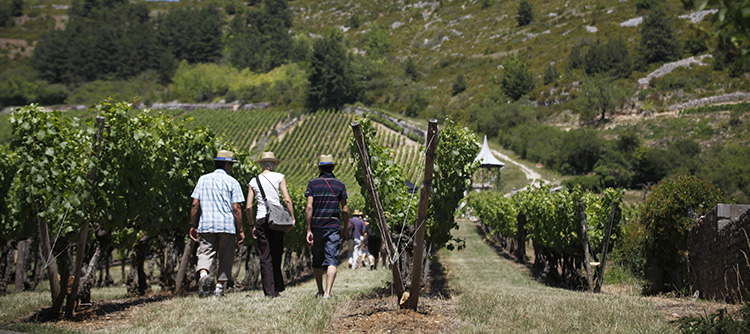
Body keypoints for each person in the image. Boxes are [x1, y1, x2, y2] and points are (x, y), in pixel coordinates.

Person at [190, 150, 245, 297]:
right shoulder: (233, 182)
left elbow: (195, 203)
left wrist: (193, 225)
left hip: (207, 224)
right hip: (226, 225)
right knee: (226, 257)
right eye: (231, 165)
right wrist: (241, 230)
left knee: (205, 252)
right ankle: (219, 289)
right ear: (227, 164)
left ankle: (203, 276)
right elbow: (236, 207)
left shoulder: (203, 179)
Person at [246, 152, 295, 298]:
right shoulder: (279, 177)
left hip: (261, 219)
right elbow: (286, 199)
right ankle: (278, 288)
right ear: (273, 164)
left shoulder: (253, 181)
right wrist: (292, 218)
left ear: (261, 165)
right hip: (276, 219)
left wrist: (251, 225)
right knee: (276, 254)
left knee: (264, 256)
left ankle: (269, 292)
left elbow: (248, 206)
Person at [305, 154, 349, 299]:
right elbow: (345, 210)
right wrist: (345, 228)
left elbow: (309, 208)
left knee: (317, 260)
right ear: (333, 167)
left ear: (319, 168)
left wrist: (309, 229)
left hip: (317, 227)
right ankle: (328, 293)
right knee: (332, 259)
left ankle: (320, 290)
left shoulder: (313, 184)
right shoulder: (340, 185)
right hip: (333, 227)